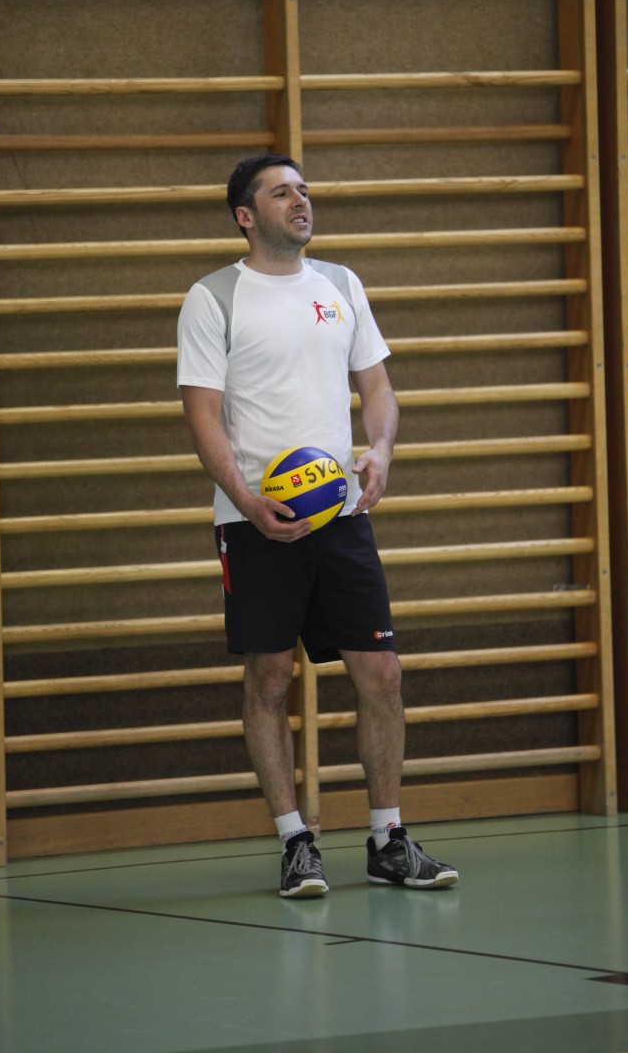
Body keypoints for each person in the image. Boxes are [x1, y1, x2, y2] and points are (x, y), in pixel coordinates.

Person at [177, 153, 459, 897]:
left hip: (341, 517)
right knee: (269, 677)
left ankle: (388, 839)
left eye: (303, 190)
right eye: (282, 193)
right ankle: (295, 840)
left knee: (382, 673)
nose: (300, 201)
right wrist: (247, 499)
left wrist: (382, 450)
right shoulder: (213, 298)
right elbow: (202, 415)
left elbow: (378, 388)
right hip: (256, 521)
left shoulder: (340, 284)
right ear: (246, 216)